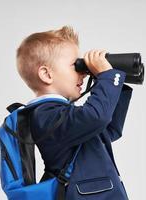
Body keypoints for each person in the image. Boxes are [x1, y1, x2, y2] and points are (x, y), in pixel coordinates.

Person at [16, 25, 133, 200]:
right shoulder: (45, 115)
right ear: (47, 74)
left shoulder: (63, 115)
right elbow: (96, 117)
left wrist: (117, 85)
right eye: (75, 66)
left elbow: (108, 131)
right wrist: (108, 78)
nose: (83, 74)